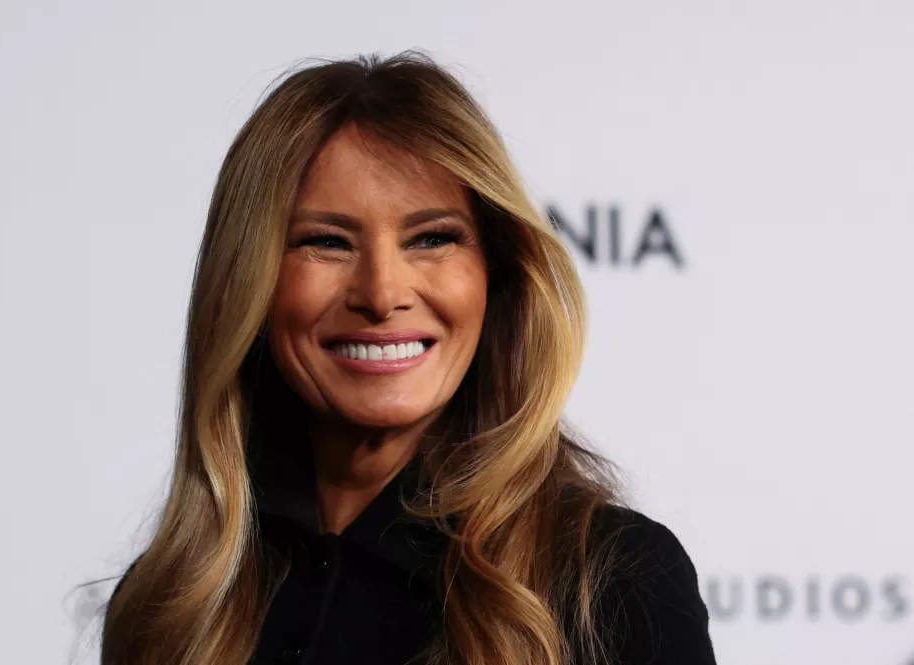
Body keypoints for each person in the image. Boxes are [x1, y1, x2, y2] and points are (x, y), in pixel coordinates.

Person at [100, 50, 716, 665]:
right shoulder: (170, 603)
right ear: (248, 285)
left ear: (493, 275)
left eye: (431, 238)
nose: (383, 293)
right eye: (326, 242)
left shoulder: (611, 583)